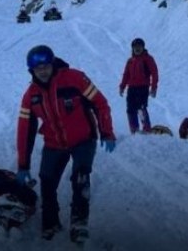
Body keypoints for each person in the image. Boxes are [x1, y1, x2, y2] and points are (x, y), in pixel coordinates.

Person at [16, 45, 116, 243]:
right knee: (46, 181)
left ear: (52, 64)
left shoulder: (75, 79)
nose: (43, 71)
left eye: (45, 66)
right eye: (38, 69)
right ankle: (51, 223)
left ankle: (79, 223)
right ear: (32, 71)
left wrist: (107, 132)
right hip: (54, 143)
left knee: (80, 178)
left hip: (83, 139)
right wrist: (23, 164)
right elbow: (24, 130)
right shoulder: (31, 96)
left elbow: (100, 103)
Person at [118, 37, 159, 134]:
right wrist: (122, 87)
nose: (137, 49)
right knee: (130, 110)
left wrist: (153, 88)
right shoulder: (130, 61)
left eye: (139, 47)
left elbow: (154, 73)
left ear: (143, 47)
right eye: (135, 47)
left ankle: (146, 129)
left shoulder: (148, 59)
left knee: (141, 108)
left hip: (143, 88)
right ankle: (134, 130)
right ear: (132, 48)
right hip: (132, 88)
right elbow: (126, 74)